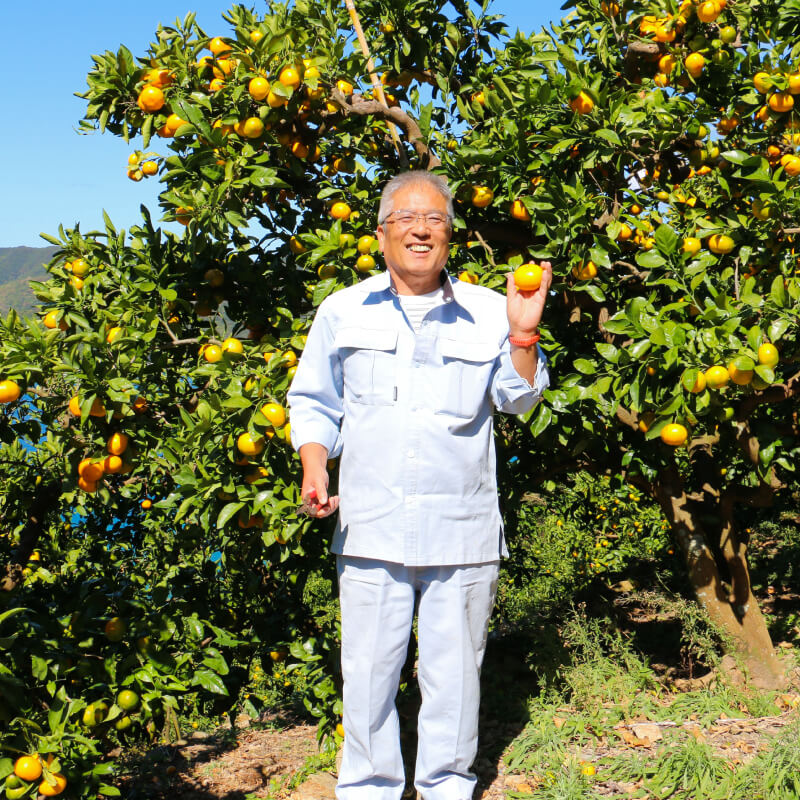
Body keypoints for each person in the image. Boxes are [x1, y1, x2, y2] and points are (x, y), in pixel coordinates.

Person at [288, 170, 551, 800]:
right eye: (405, 218)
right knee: (368, 675)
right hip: (371, 526)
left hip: (461, 530)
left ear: (450, 235)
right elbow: (314, 401)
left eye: (434, 219)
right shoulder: (342, 310)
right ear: (381, 234)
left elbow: (519, 400)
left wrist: (523, 332)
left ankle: (447, 787)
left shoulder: (490, 310)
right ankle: (369, 789)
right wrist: (315, 465)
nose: (420, 230)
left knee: (454, 679)